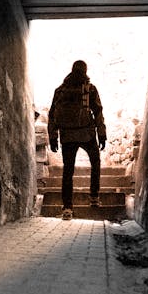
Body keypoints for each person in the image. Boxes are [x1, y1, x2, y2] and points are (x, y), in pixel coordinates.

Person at [48, 60, 106, 220]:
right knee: (95, 162)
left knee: (68, 171)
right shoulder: (90, 89)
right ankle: (94, 197)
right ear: (85, 70)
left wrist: (53, 137)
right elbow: (98, 112)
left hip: (67, 135)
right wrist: (101, 134)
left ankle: (67, 208)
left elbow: (52, 114)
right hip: (87, 134)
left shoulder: (60, 90)